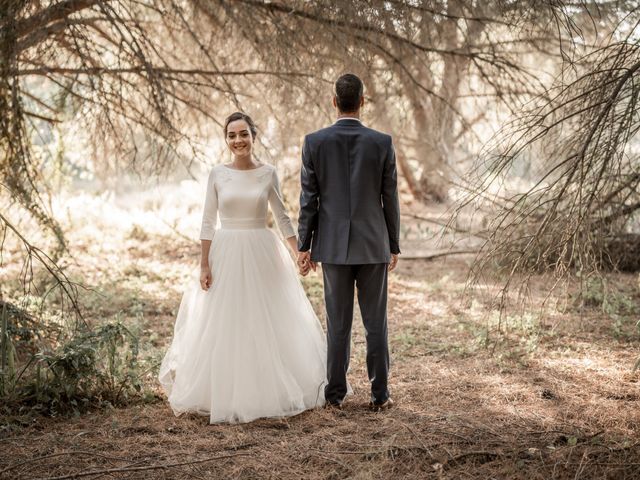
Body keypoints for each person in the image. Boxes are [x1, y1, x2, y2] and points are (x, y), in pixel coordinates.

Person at [158, 112, 327, 424]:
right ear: (227, 140)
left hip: (262, 251)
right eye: (232, 135)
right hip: (226, 252)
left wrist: (299, 252)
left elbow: (282, 216)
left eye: (243, 134)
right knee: (227, 320)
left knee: (265, 318)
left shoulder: (268, 173)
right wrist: (204, 263)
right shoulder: (217, 175)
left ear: (253, 136)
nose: (238, 140)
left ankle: (265, 388)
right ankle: (224, 391)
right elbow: (208, 220)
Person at [297, 73, 401, 411]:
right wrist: (393, 244)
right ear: (362, 102)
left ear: (334, 101)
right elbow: (390, 198)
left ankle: (335, 396)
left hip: (332, 246)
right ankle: (380, 395)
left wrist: (304, 244)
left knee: (337, 325)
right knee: (376, 324)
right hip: (373, 245)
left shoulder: (314, 142)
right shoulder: (382, 142)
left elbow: (308, 199)